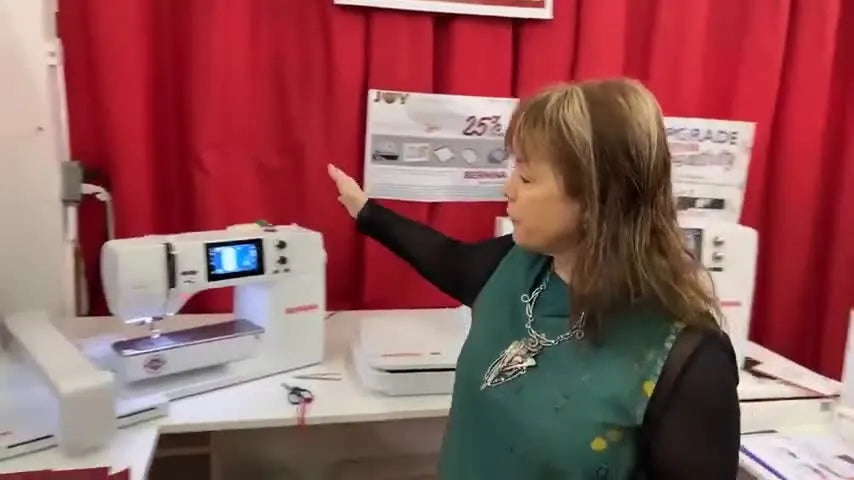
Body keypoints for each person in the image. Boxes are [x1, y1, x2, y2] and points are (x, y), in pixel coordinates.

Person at [328, 78, 740, 479]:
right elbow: (446, 259)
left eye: (526, 177)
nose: (508, 189)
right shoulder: (514, 264)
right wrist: (367, 211)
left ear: (599, 197)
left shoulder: (687, 363)